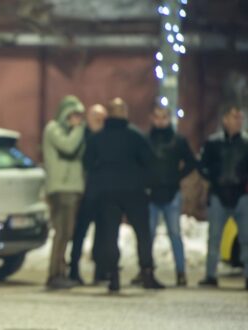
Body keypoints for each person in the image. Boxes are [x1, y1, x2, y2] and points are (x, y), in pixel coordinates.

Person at [84, 98, 164, 292]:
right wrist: (145, 183)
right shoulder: (136, 136)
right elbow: (151, 162)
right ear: (125, 113)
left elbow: (87, 163)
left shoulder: (98, 137)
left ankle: (113, 276)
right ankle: (147, 272)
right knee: (142, 234)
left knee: (109, 235)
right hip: (135, 192)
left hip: (108, 193)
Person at [146, 105, 197, 286]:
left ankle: (181, 271)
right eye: (157, 117)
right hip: (151, 194)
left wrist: (177, 176)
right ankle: (147, 269)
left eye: (164, 117)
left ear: (168, 119)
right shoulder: (146, 140)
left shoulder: (178, 140)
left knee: (175, 234)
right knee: (148, 235)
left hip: (172, 193)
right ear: (152, 118)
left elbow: (191, 162)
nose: (160, 121)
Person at [198, 105, 248, 290]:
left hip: (242, 195)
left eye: (240, 117)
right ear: (225, 119)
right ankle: (210, 275)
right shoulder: (213, 143)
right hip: (219, 194)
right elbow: (201, 164)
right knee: (214, 237)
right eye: (234, 117)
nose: (238, 121)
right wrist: (213, 179)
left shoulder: (245, 143)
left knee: (246, 238)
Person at [42, 95, 86, 289]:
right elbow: (68, 147)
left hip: (73, 188)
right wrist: (78, 129)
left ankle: (61, 271)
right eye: (73, 115)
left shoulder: (72, 133)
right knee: (62, 233)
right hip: (61, 188)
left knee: (67, 233)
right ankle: (54, 274)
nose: (77, 119)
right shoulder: (53, 129)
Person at [68, 104, 107, 285]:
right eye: (96, 118)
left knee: (102, 233)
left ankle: (100, 270)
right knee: (80, 232)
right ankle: (74, 269)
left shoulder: (107, 137)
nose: (99, 122)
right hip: (85, 191)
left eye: (102, 119)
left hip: (102, 192)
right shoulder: (82, 136)